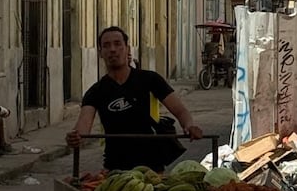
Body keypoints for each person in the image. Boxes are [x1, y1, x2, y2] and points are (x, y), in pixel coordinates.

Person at [66, 26, 203, 171]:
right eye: (106, 45)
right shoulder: (95, 92)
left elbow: (180, 111)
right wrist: (75, 138)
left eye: (118, 44)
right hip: (115, 170)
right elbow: (83, 127)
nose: (112, 49)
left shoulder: (151, 80)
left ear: (127, 49)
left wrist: (189, 126)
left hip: (152, 168)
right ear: (100, 53)